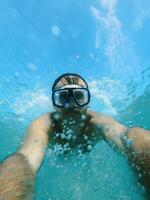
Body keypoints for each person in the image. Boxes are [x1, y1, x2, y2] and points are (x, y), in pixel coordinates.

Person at [0, 73, 150, 199]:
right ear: (54, 104)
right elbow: (25, 158)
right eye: (63, 97)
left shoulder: (97, 122)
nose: (71, 104)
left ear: (87, 102)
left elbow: (127, 137)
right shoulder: (43, 124)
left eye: (78, 96)